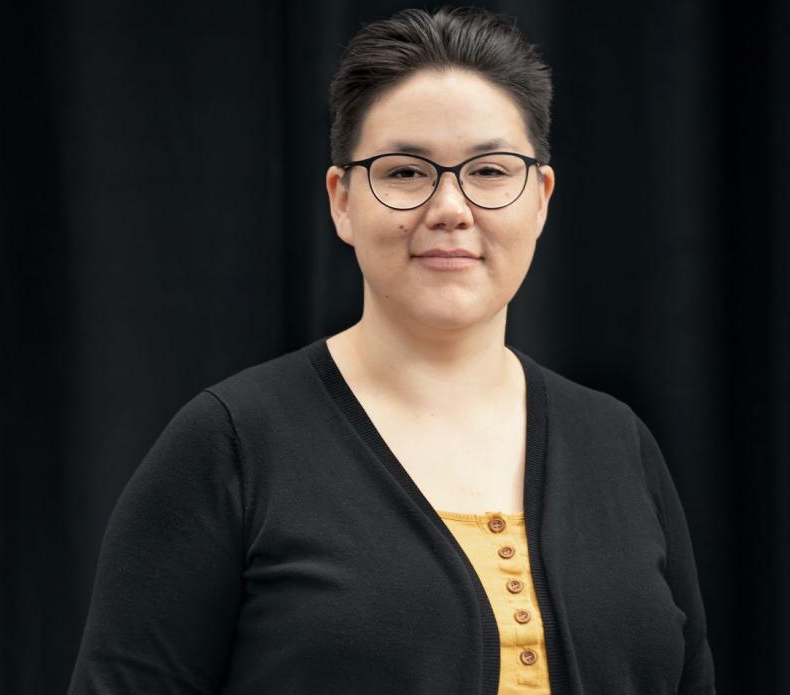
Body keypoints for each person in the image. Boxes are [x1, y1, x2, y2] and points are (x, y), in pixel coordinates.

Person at [69, 6, 716, 694]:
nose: (450, 208)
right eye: (405, 172)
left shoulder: (618, 443)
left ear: (541, 199)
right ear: (342, 201)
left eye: (490, 170)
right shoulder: (233, 446)